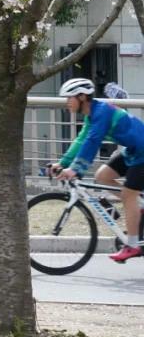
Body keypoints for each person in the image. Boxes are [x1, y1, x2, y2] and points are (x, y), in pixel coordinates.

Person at [52, 77, 144, 263]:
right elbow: (81, 140)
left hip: (142, 153)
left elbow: (93, 142)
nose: (66, 103)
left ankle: (133, 245)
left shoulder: (102, 112)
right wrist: (63, 163)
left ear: (82, 97)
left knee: (128, 194)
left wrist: (75, 169)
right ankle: (139, 206)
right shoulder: (91, 115)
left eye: (69, 98)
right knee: (102, 176)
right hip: (133, 151)